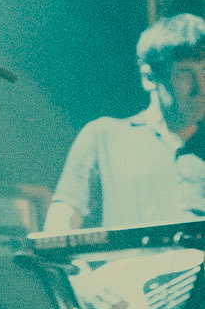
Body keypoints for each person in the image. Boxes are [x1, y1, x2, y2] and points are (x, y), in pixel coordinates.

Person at [43, 12, 205, 233]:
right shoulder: (103, 137)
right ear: (149, 78)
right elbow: (59, 227)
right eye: (184, 73)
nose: (200, 87)